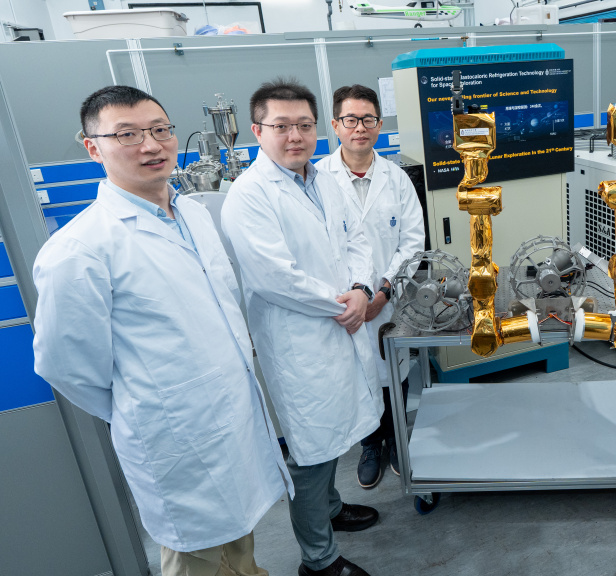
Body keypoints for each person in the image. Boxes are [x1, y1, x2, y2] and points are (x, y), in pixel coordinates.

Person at [33, 85, 292, 576]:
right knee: (194, 559)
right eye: (127, 134)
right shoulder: (81, 249)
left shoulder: (193, 213)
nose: (150, 145)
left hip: (230, 421)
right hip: (175, 439)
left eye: (159, 130)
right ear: (93, 148)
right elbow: (66, 366)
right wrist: (148, 404)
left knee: (239, 548)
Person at [220, 78, 382, 576]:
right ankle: (319, 558)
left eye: (304, 125)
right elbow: (275, 278)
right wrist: (345, 305)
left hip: (341, 324)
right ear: (256, 131)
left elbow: (359, 238)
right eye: (281, 126)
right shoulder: (248, 196)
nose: (295, 135)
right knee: (312, 455)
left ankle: (333, 510)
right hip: (301, 344)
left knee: (336, 435)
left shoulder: (324, 179)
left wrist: (359, 286)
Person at [317, 84, 426, 488]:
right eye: (350, 120)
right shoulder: (316, 181)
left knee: (391, 370)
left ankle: (397, 437)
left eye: (367, 120)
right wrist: (357, 298)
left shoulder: (396, 179)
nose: (359, 127)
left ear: (379, 125)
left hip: (388, 301)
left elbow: (412, 243)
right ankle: (370, 442)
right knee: (356, 376)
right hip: (341, 304)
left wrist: (383, 293)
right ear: (335, 125)